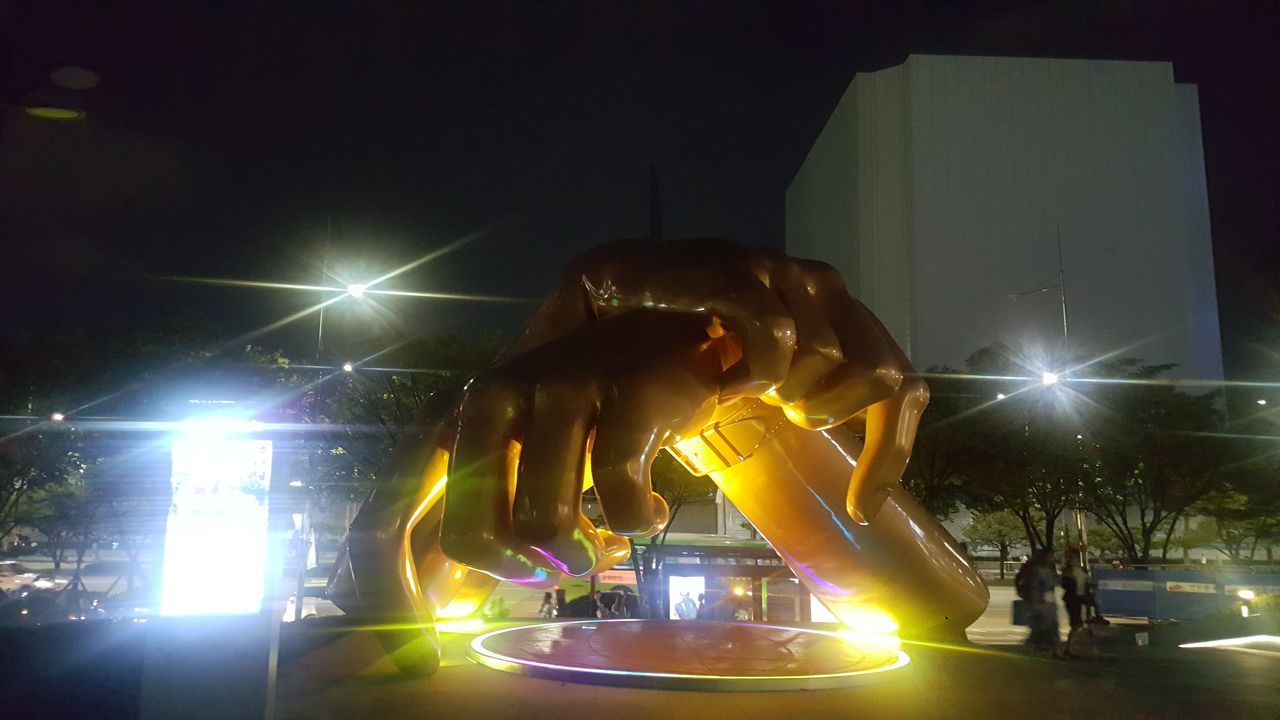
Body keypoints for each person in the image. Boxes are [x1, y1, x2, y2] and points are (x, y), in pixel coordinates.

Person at [1020, 549, 1064, 657]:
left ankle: (1045, 648)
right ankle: (1050, 648)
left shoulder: (1041, 570)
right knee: (1047, 626)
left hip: (1044, 603)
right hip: (1043, 604)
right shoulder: (1040, 571)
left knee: (1043, 627)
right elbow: (1040, 586)